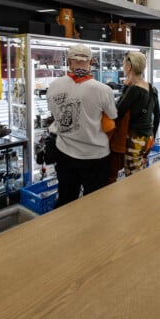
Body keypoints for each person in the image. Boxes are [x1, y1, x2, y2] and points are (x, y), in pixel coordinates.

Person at [47, 44, 117, 207]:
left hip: (64, 151)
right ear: (91, 62)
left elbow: (53, 114)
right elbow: (113, 115)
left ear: (70, 62)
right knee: (95, 202)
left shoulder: (54, 85)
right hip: (95, 155)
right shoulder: (103, 90)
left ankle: (64, 230)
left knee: (66, 198)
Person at [110, 51, 160, 180]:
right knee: (140, 169)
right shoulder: (151, 88)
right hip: (147, 137)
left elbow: (118, 111)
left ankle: (138, 199)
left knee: (132, 176)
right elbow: (158, 115)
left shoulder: (134, 89)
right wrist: (152, 135)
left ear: (129, 66)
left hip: (134, 138)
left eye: (123, 64)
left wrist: (125, 88)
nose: (122, 67)